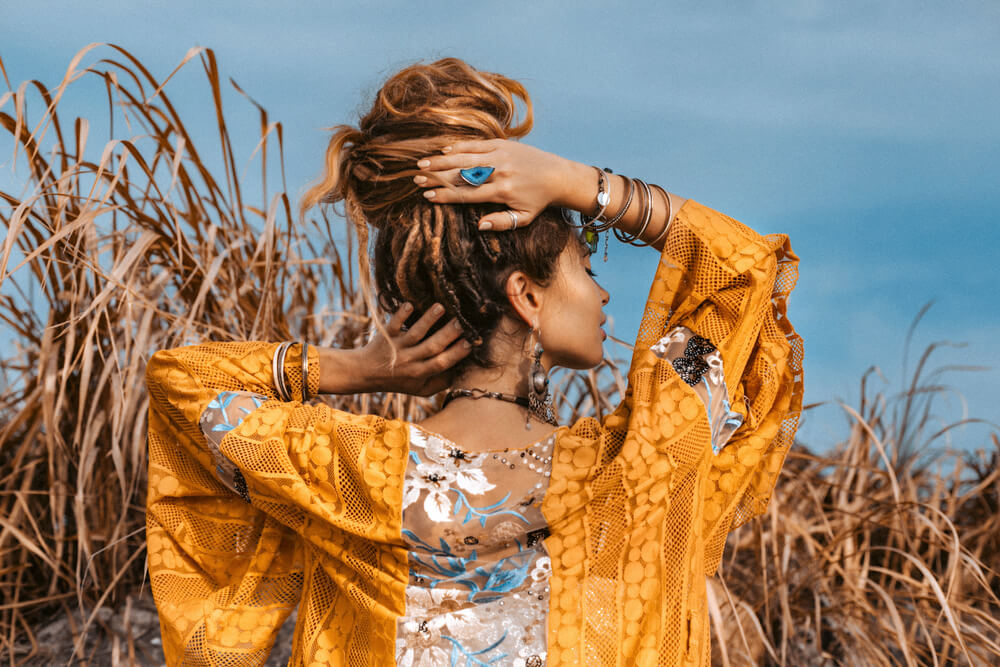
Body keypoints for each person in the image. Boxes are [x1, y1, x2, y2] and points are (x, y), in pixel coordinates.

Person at [144, 58, 802, 666]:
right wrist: (577, 183)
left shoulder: (349, 474)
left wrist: (357, 369)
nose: (601, 293)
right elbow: (742, 270)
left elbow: (182, 382)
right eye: (585, 266)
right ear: (526, 295)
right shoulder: (629, 469)